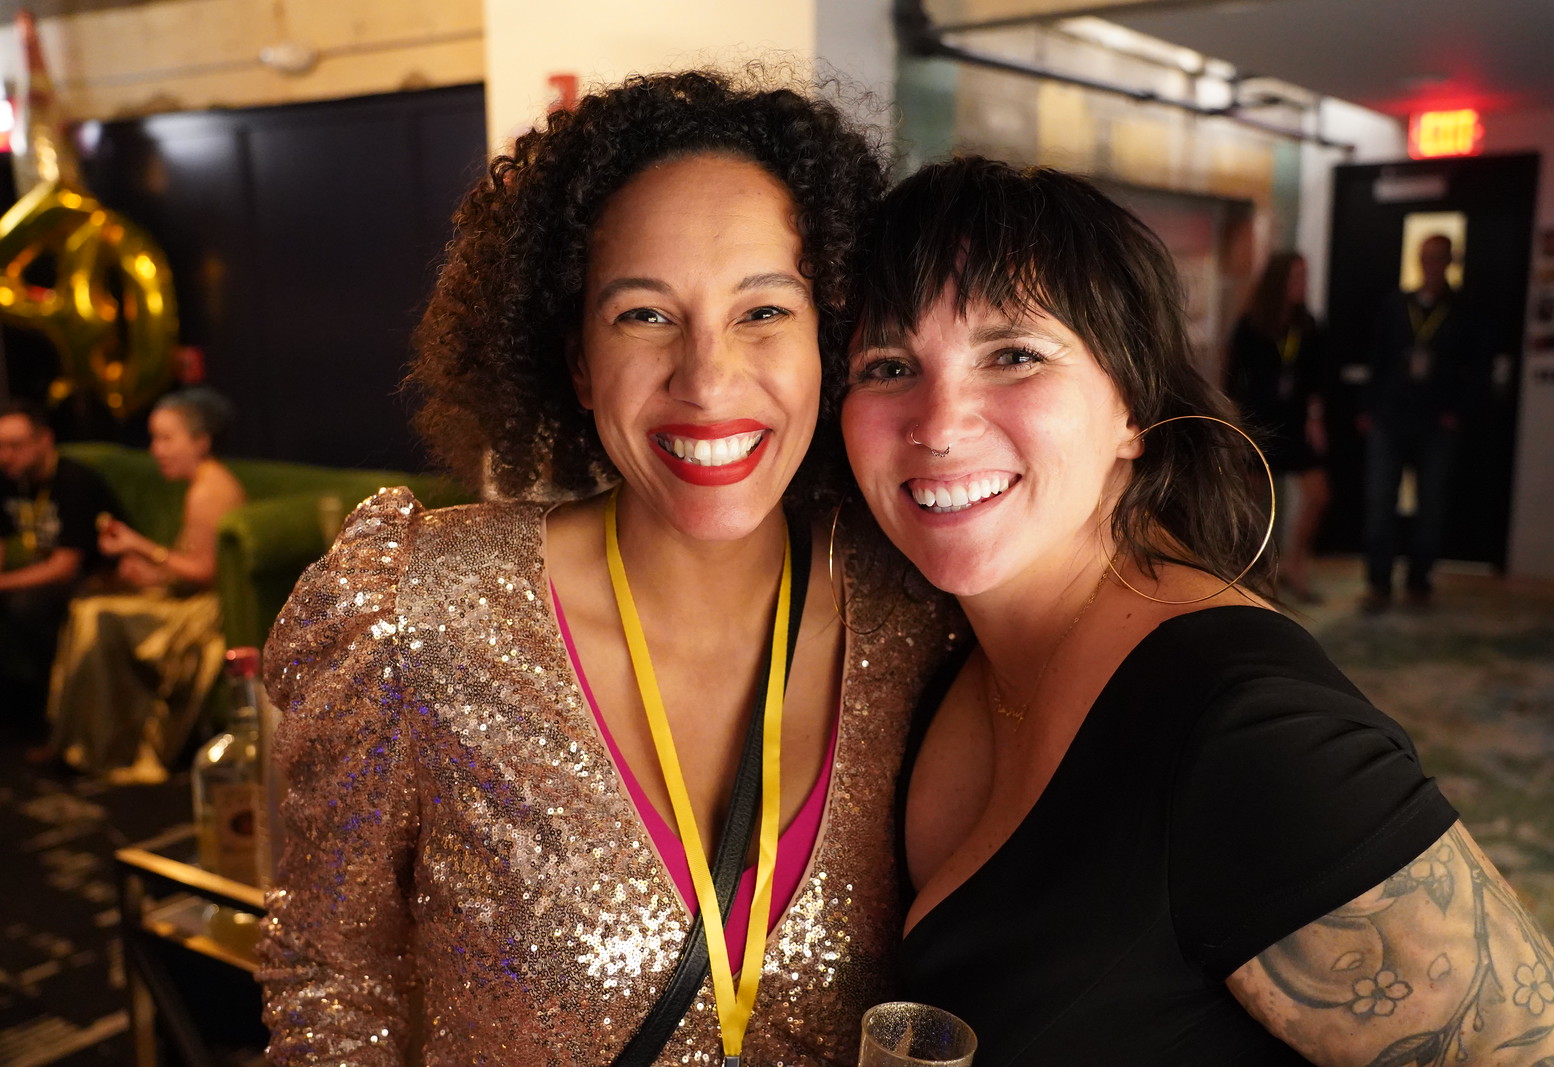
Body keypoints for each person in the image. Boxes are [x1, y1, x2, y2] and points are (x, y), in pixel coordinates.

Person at [259, 70, 955, 1066]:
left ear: (830, 341)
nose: (706, 379)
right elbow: (331, 980)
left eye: (763, 310)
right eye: (643, 315)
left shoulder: (916, 614)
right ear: (579, 361)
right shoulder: (416, 612)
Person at [841, 158, 1554, 1065]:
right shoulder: (945, 651)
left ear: (1132, 407)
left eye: (1014, 355)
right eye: (889, 365)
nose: (938, 423)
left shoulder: (1247, 728)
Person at [45, 386, 246, 780]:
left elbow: (205, 573)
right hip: (192, 599)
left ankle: (105, 749)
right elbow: (190, 563)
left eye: (167, 439)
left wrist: (140, 546)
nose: (157, 450)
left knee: (94, 615)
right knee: (92, 601)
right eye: (155, 439)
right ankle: (81, 742)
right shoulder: (201, 483)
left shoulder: (209, 490)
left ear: (201, 442)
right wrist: (148, 572)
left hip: (204, 615)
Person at [1360, 233, 1481, 612]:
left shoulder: (1463, 309)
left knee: (1431, 507)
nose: (1430, 264)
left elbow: (1477, 366)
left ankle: (1419, 581)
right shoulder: (1396, 305)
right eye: (1425, 257)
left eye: (1438, 257)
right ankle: (1379, 581)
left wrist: (1456, 411)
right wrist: (1369, 408)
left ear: (1449, 262)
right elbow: (1377, 358)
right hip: (1391, 418)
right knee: (1380, 501)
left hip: (1435, 423)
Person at [0, 399, 120, 733]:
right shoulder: (9, 479)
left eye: (15, 446)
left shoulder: (73, 481)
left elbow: (65, 567)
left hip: (99, 576)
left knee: (28, 608)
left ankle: (58, 721)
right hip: (48, 573)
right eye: (0, 447)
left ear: (45, 440)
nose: (5, 456)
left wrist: (3, 583)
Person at [1227, 251, 1329, 602]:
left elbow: (1316, 379)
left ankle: (1294, 564)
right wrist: (1235, 427)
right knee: (1249, 499)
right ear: (1279, 281)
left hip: (1296, 422)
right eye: (1296, 277)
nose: (1302, 284)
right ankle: (1247, 570)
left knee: (1319, 495)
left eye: (1305, 276)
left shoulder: (1308, 324)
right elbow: (1233, 380)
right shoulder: (1252, 325)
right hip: (1259, 421)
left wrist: (1315, 418)